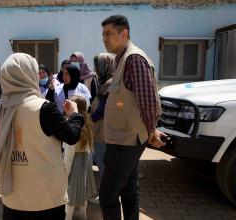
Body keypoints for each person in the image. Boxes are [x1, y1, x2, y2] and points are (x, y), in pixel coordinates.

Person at [0, 53, 85, 220]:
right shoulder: (44, 108)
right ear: (29, 74)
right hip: (45, 198)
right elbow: (71, 136)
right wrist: (76, 115)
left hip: (14, 198)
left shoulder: (4, 108)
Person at [99, 15, 166, 220]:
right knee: (128, 190)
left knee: (108, 196)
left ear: (124, 33)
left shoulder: (134, 59)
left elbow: (148, 101)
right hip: (121, 138)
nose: (104, 39)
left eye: (109, 34)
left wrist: (152, 130)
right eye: (103, 34)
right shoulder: (122, 59)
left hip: (126, 141)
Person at [63, 95, 97, 220]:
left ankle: (69, 216)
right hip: (85, 159)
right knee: (84, 188)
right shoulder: (88, 123)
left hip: (75, 161)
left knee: (71, 191)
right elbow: (91, 146)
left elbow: (69, 150)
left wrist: (65, 170)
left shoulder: (73, 126)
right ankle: (83, 214)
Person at [89, 52, 116, 205]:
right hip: (104, 129)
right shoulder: (107, 82)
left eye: (99, 65)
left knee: (103, 164)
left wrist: (89, 119)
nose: (97, 69)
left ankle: (107, 197)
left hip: (103, 131)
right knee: (105, 163)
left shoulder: (110, 84)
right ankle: (109, 194)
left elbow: (103, 109)